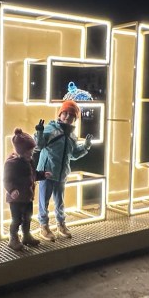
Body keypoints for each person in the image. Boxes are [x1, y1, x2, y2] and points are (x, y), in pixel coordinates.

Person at [35, 99, 93, 240]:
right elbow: (39, 146)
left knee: (60, 202)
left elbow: (72, 155)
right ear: (60, 114)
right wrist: (40, 132)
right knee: (44, 201)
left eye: (71, 115)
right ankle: (44, 226)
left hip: (61, 175)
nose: (67, 116)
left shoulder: (72, 135)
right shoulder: (51, 128)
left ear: (75, 118)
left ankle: (61, 224)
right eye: (65, 113)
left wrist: (85, 146)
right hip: (47, 173)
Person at [3, 128, 40, 251]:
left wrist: (43, 175)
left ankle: (26, 235)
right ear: (20, 152)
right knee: (16, 219)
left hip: (28, 196)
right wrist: (12, 190)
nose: (31, 155)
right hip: (16, 199)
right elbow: (6, 180)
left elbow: (33, 174)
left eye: (31, 152)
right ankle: (13, 238)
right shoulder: (11, 163)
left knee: (28, 217)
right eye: (28, 153)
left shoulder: (30, 161)